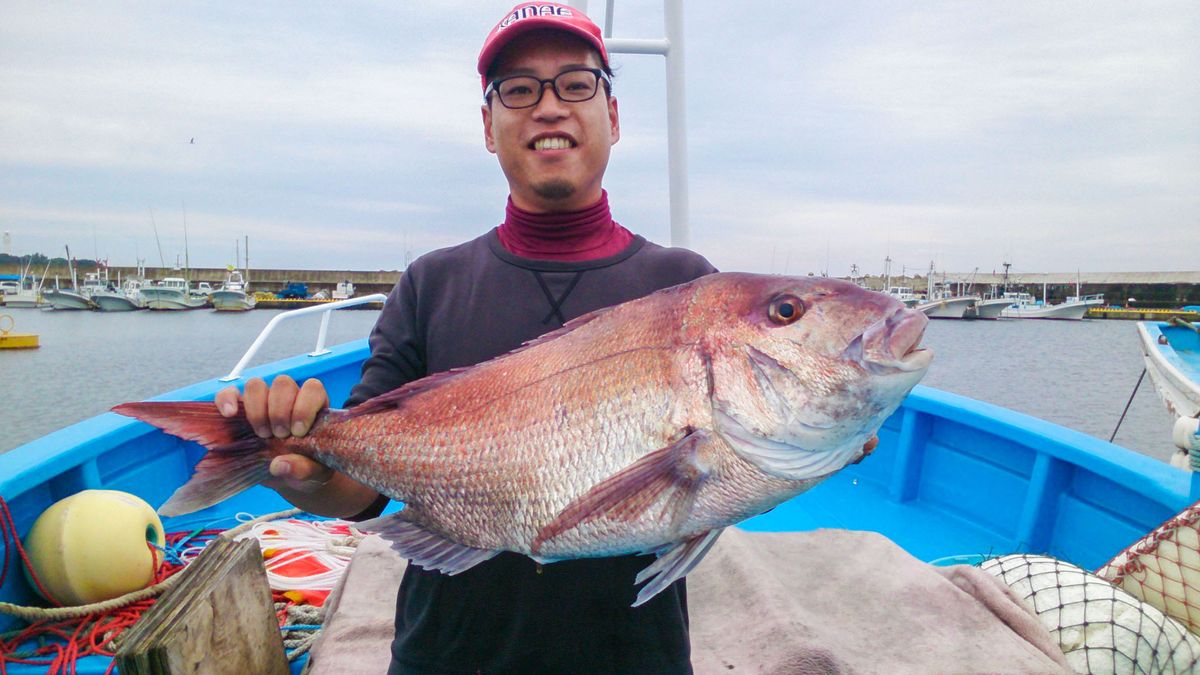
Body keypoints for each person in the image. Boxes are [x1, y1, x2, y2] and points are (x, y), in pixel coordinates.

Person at [216, 3, 716, 672]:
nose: (548, 107)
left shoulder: (685, 287)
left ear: (613, 116)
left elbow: (732, 462)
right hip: (447, 653)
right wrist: (301, 476)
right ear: (488, 125)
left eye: (575, 83)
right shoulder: (431, 282)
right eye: (518, 88)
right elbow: (362, 491)